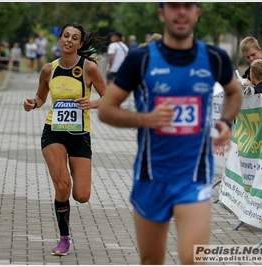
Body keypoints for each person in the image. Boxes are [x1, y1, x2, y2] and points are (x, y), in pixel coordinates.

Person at [98, 2, 242, 264]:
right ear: (162, 13)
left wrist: (226, 122)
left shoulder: (213, 57)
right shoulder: (140, 59)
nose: (181, 12)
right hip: (151, 176)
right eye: (174, 6)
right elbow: (106, 109)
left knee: (193, 259)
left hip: (194, 177)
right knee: (152, 260)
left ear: (196, 13)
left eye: (188, 6)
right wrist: (147, 119)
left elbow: (234, 91)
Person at [23, 22, 106, 256]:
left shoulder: (89, 68)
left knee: (81, 195)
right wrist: (33, 104)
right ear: (59, 40)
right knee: (62, 185)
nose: (69, 40)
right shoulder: (49, 69)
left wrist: (93, 103)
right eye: (65, 36)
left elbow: (108, 97)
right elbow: (40, 97)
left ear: (80, 44)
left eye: (74, 37)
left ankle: (69, 203)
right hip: (54, 132)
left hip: (80, 136)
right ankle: (64, 237)